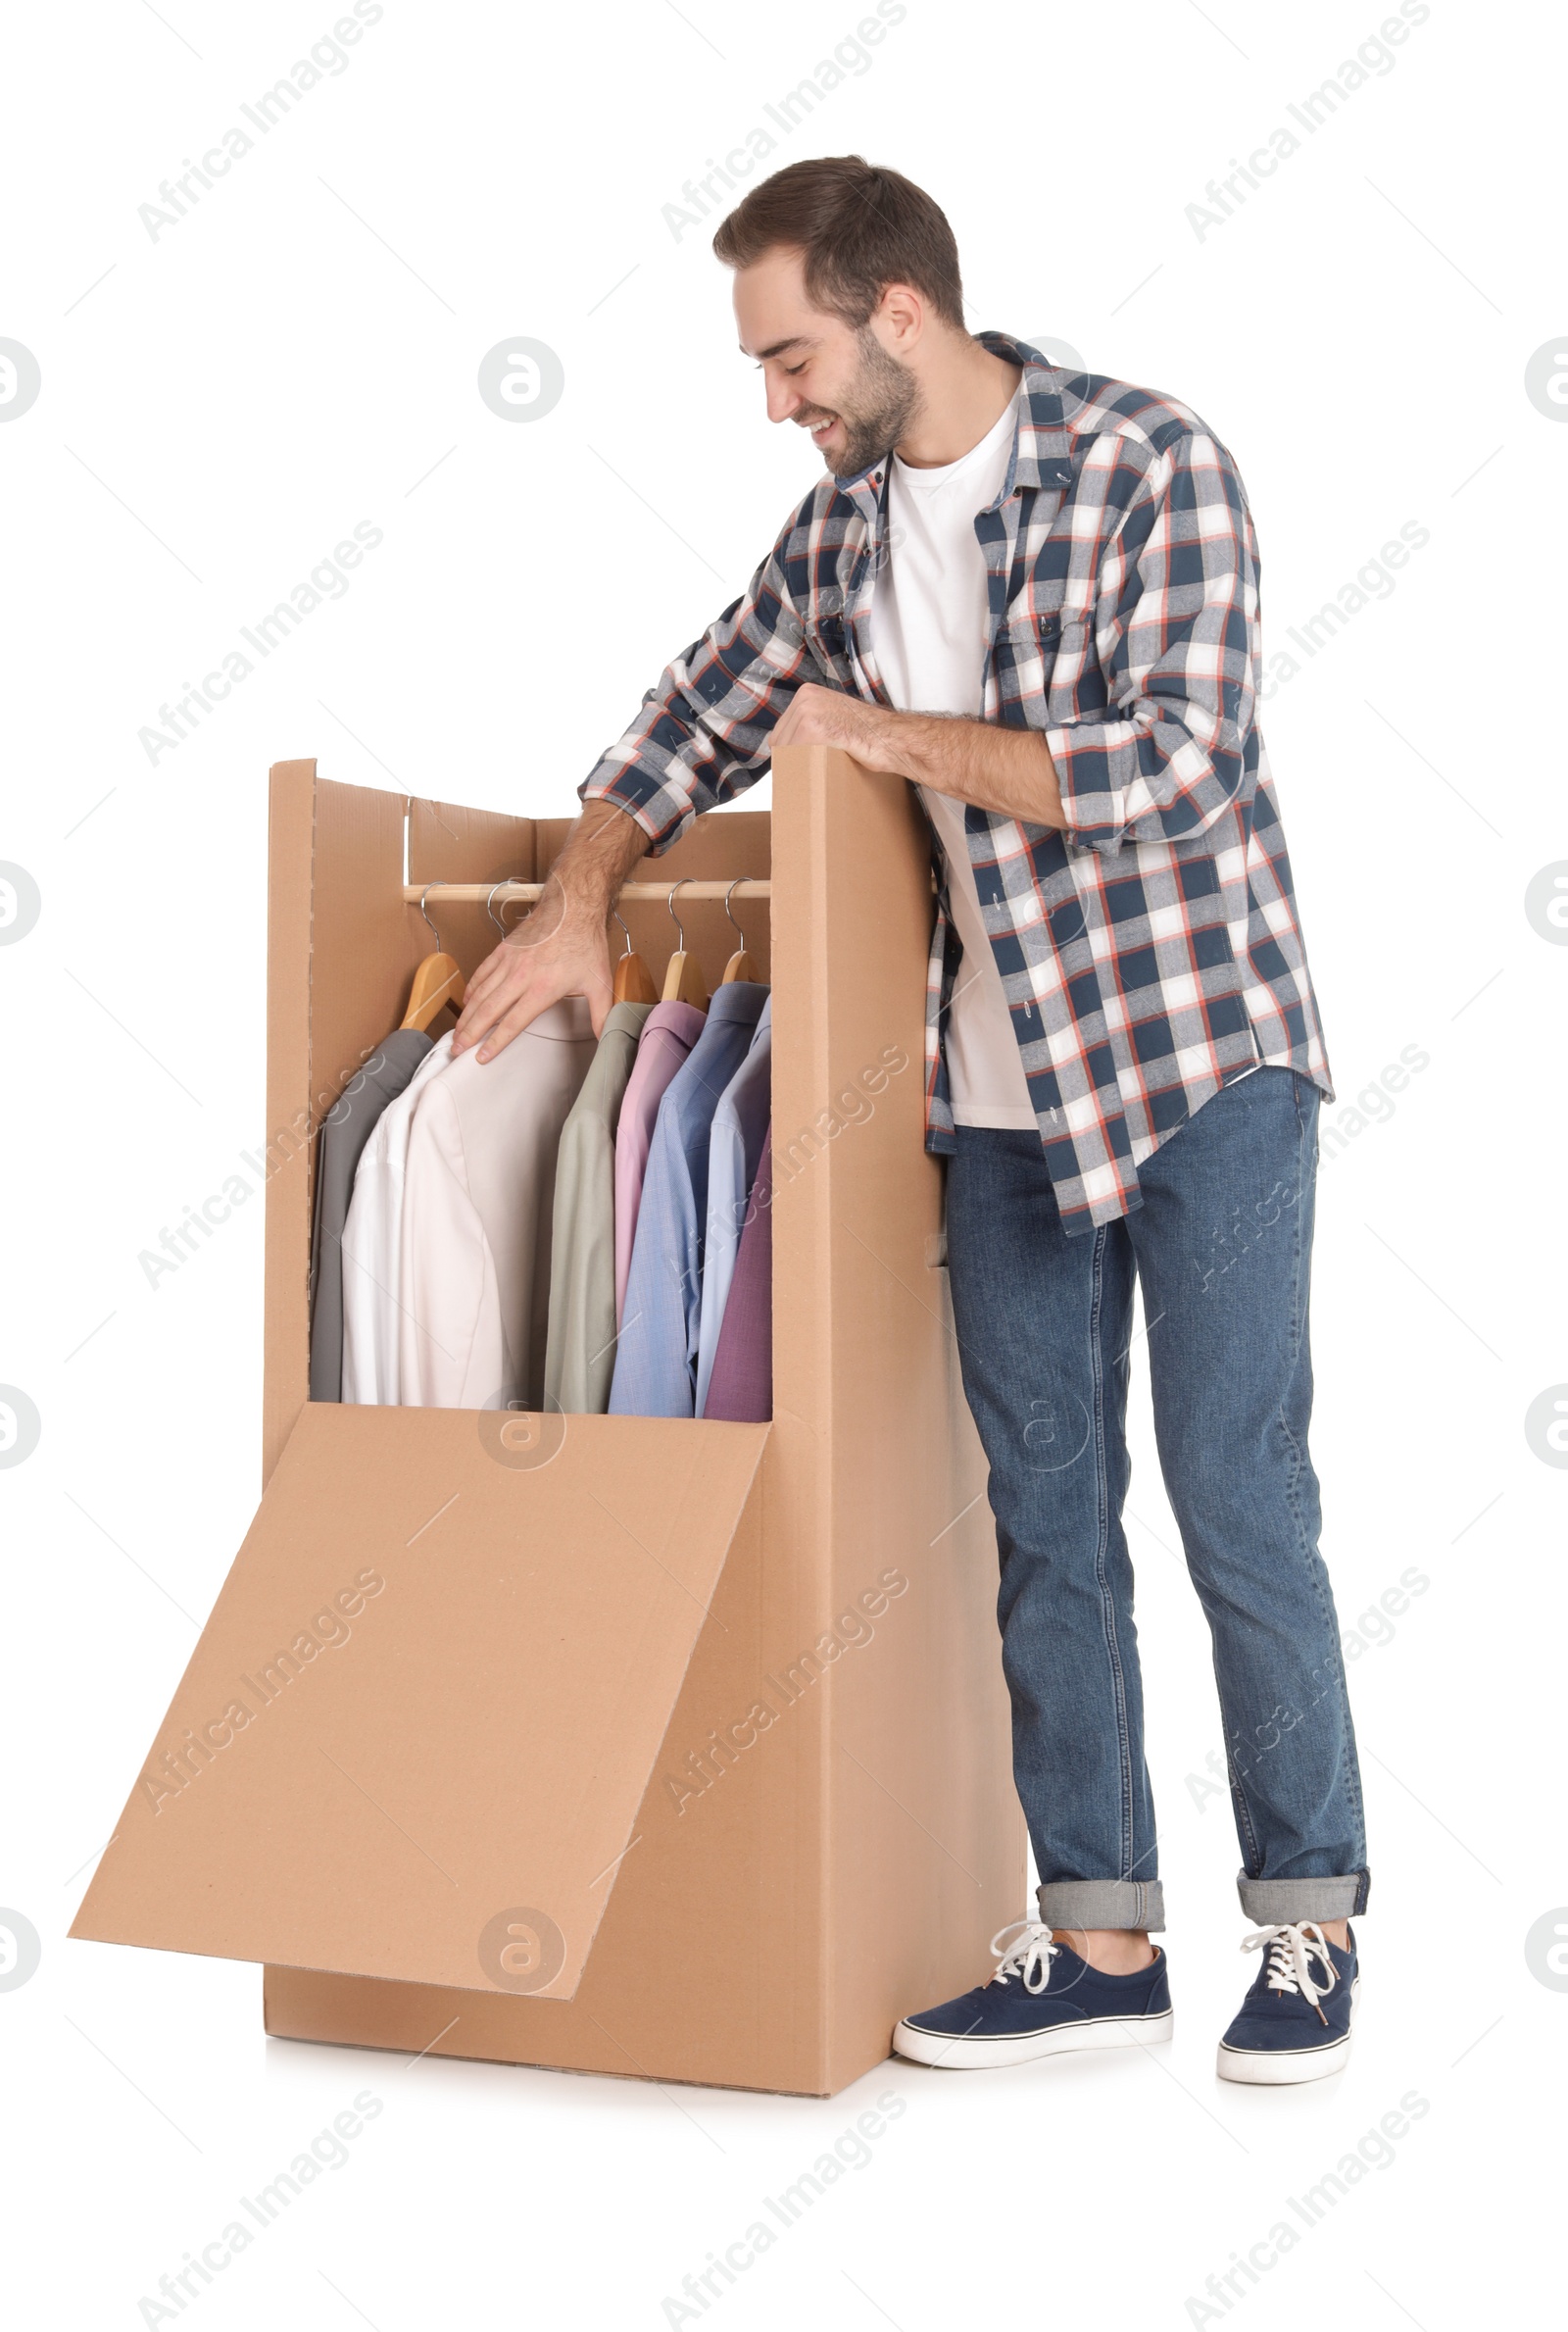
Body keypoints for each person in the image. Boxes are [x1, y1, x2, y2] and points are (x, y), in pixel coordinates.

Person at [451, 155, 1368, 2086]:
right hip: (995, 1093)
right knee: (1040, 1519)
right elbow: (687, 711)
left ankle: (1302, 1926)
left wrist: (884, 737)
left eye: (786, 356)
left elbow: (1174, 759)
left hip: (1200, 1058)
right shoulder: (842, 537)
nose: (773, 401)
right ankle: (1101, 1934)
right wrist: (577, 891)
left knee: (1233, 1495)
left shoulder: (1144, 461)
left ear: (897, 313)